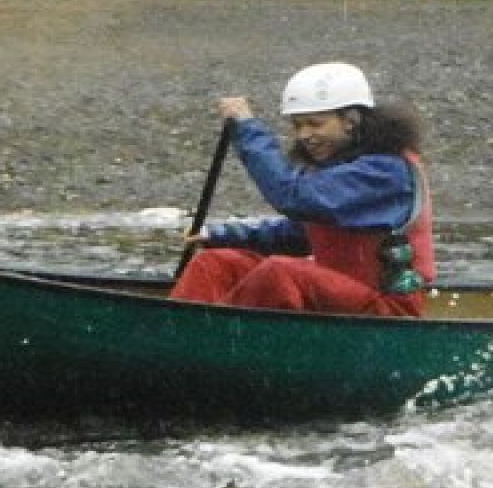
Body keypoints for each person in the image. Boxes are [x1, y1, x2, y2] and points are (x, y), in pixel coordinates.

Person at [170, 62, 435, 316]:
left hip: (388, 309)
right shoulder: (338, 170)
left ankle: (212, 340)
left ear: (351, 120)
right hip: (339, 297)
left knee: (279, 273)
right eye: (297, 125)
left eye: (315, 123)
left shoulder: (387, 173)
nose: (304, 135)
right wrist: (219, 235)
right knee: (216, 263)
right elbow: (301, 235)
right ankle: (175, 330)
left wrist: (248, 129)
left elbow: (293, 198)